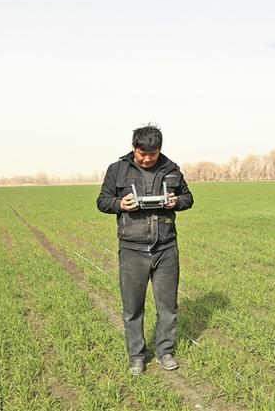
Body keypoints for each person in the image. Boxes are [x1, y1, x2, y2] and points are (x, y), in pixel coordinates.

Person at [96, 124, 194, 375]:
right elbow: (102, 201)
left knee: (167, 306)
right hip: (132, 249)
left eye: (153, 154)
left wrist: (175, 201)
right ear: (133, 147)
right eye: (142, 154)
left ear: (159, 149)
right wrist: (120, 204)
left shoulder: (171, 169)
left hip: (165, 248)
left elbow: (188, 198)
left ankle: (165, 351)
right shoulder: (117, 169)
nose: (148, 159)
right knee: (133, 308)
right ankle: (137, 357)